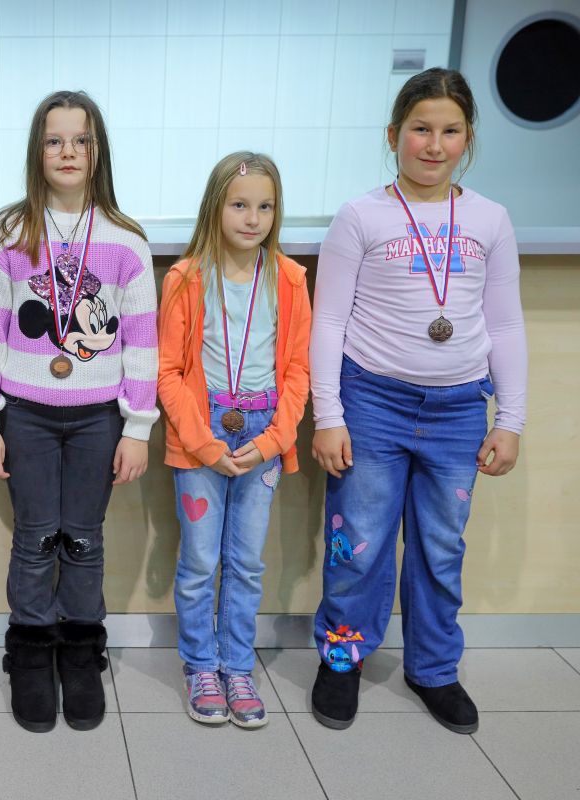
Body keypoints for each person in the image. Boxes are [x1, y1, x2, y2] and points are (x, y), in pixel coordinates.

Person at [309, 68, 526, 734]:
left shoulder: (489, 219)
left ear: (468, 138)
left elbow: (505, 324)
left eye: (450, 131)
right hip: (371, 402)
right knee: (358, 544)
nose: (434, 145)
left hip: (458, 410)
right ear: (393, 135)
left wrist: (511, 419)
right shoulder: (361, 216)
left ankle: (433, 670)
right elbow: (329, 321)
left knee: (441, 547)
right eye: (420, 129)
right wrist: (328, 415)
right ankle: (342, 659)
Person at [0, 90, 158, 732]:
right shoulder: (9, 233)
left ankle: (80, 650)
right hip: (27, 416)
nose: (67, 152)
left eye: (80, 140)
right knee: (36, 537)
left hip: (99, 418)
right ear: (36, 151)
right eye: (54, 140)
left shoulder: (126, 240)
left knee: (84, 538)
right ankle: (31, 652)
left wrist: (138, 428)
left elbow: (141, 343)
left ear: (98, 152)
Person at [157, 152, 310, 728]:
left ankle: (238, 666)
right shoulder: (185, 278)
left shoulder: (290, 280)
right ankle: (202, 665)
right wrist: (204, 444)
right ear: (214, 208)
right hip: (202, 432)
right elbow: (168, 372)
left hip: (262, 434)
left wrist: (273, 440)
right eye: (240, 205)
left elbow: (297, 371)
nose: (253, 218)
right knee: (201, 560)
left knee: (246, 563)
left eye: (265, 207)